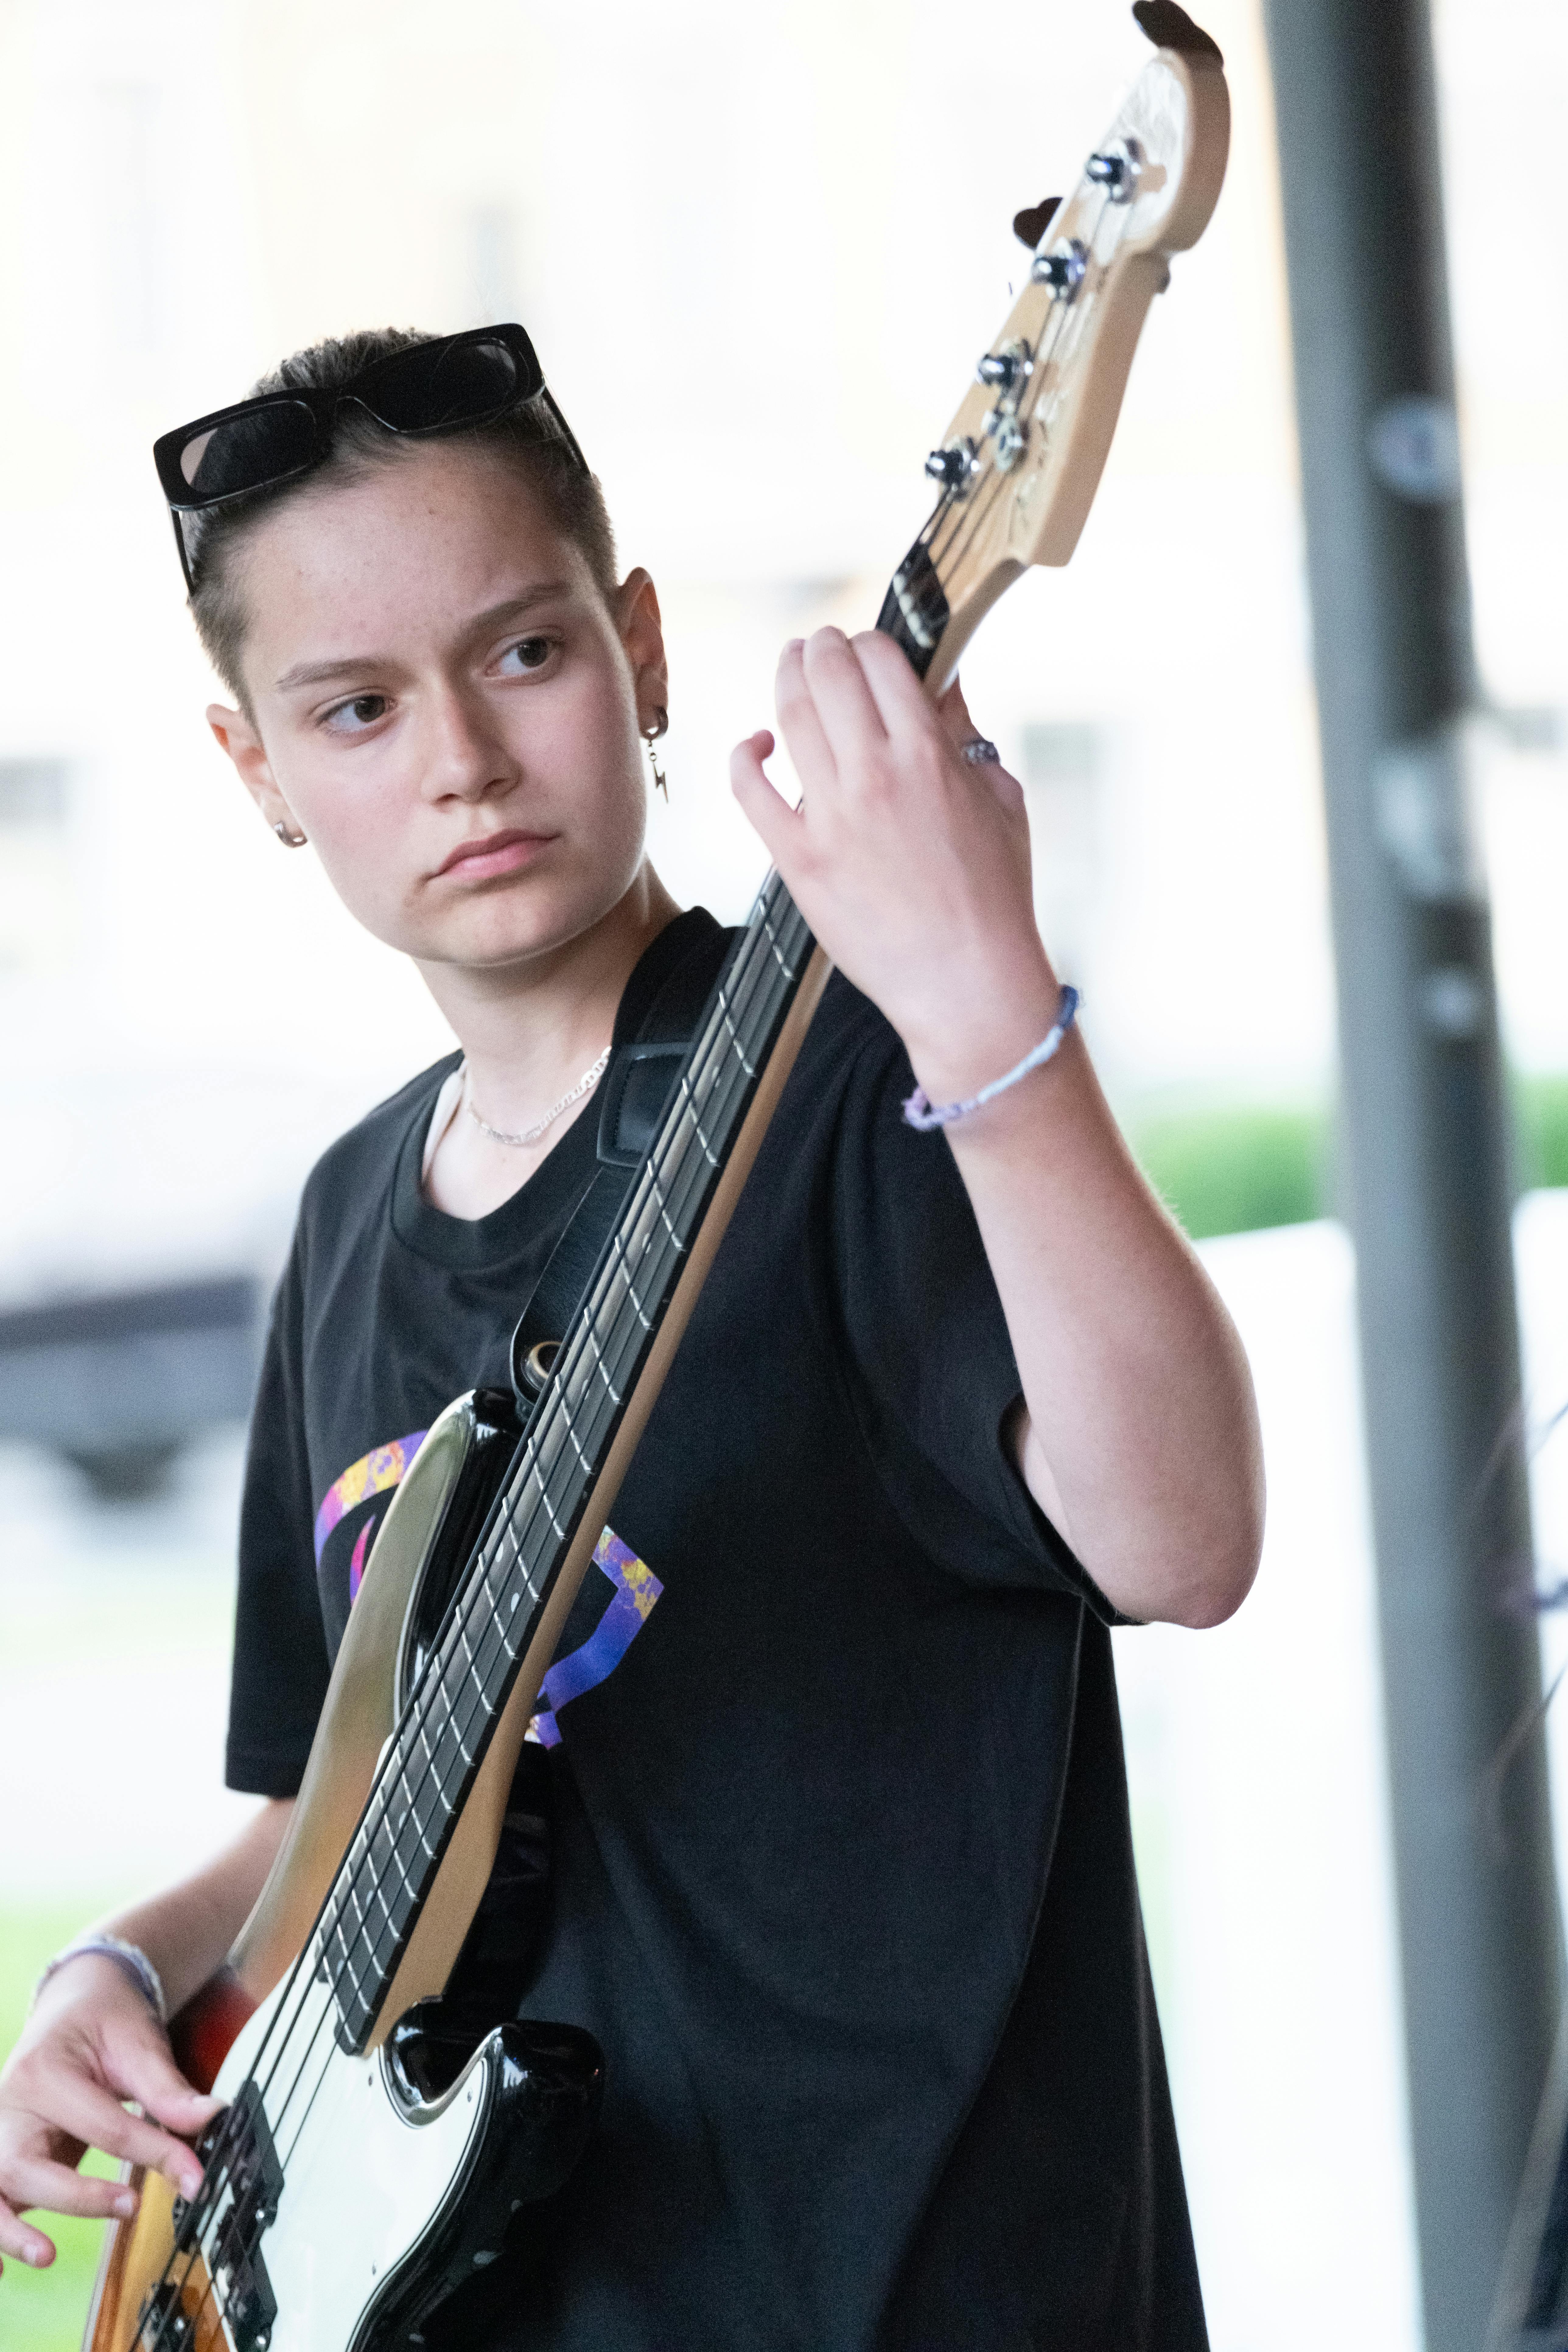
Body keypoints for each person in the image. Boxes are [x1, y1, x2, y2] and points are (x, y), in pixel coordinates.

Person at [0, 324, 1263, 2349]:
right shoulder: (344, 1222)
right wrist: (119, 1984)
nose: (462, 761)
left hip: (927, 2287)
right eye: (353, 707)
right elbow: (320, 1826)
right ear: (257, 770)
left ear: (643, 651)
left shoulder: (861, 1070)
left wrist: (978, 1009)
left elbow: (1184, 1541)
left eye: (524, 654)